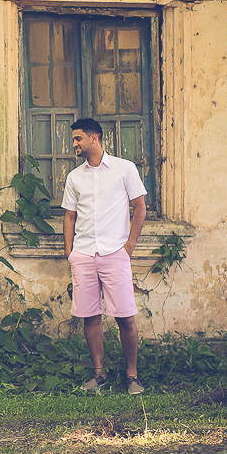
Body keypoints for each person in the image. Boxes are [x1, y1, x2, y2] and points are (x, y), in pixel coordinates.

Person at [62, 118, 148, 395]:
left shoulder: (124, 169)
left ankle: (132, 375)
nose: (74, 144)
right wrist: (70, 252)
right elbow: (69, 215)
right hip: (84, 254)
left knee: (125, 317)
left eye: (78, 139)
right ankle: (100, 373)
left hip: (115, 253)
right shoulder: (75, 177)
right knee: (90, 316)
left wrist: (129, 246)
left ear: (94, 138)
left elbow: (140, 207)